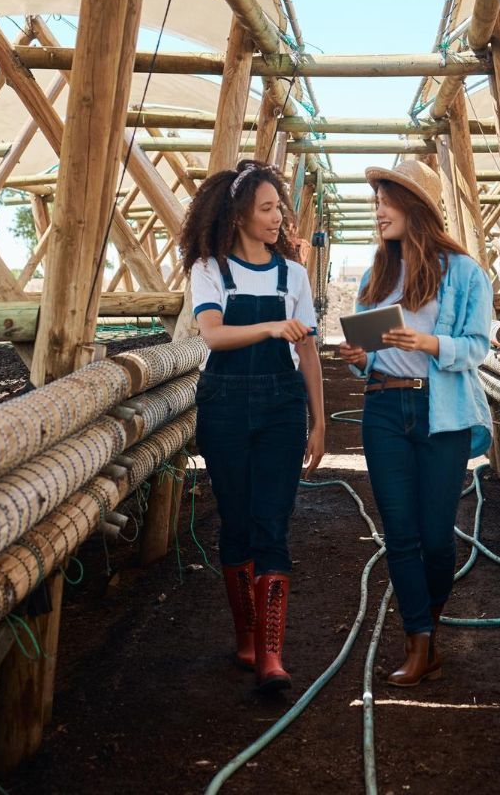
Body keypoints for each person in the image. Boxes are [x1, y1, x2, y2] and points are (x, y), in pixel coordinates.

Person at [335, 158, 493, 686]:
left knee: (436, 537)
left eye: (386, 201)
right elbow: (370, 353)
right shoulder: (376, 274)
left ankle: (430, 620)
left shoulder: (465, 273)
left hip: (440, 410)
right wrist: (360, 357)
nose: (377, 211)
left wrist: (429, 343)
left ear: (415, 207)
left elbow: (477, 347)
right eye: (375, 202)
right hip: (383, 408)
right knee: (400, 535)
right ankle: (419, 640)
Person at [182, 159, 326, 692]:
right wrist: (270, 326)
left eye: (278, 208)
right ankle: (245, 638)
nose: (276, 218)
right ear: (239, 214)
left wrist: (320, 421)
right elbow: (213, 335)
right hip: (223, 404)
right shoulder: (209, 269)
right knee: (236, 521)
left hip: (281, 406)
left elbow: (307, 350)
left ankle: (270, 654)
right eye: (265, 209)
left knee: (272, 521)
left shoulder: (294, 275)